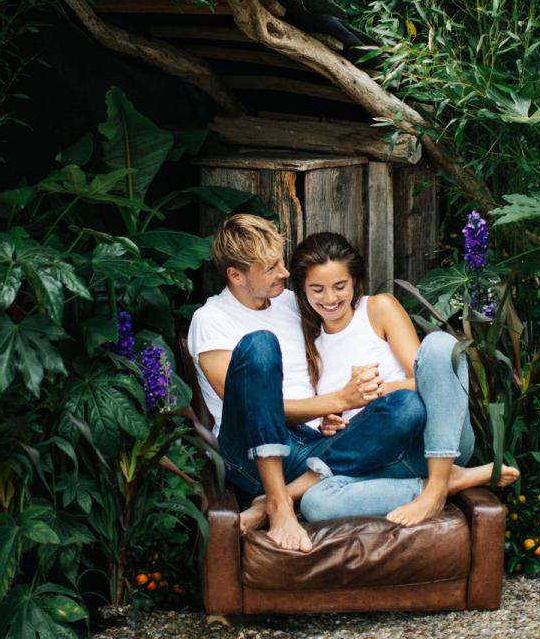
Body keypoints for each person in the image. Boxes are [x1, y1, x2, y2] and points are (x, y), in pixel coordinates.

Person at [186, 214, 427, 551]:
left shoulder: (291, 302)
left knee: (405, 407)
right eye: (270, 268)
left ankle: (286, 495)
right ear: (235, 275)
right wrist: (340, 400)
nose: (285, 274)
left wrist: (329, 417)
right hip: (248, 451)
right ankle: (279, 505)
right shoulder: (211, 320)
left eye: (281, 262)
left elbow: (338, 337)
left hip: (312, 449)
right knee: (260, 344)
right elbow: (251, 407)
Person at [288, 232, 518, 525]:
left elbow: (429, 380)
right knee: (315, 503)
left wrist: (374, 390)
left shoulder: (378, 309)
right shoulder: (311, 344)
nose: (330, 298)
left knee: (438, 345)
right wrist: (329, 421)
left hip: (431, 441)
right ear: (302, 289)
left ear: (355, 282)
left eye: (339, 286)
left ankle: (436, 487)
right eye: (317, 289)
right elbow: (342, 416)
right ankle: (449, 482)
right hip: (377, 460)